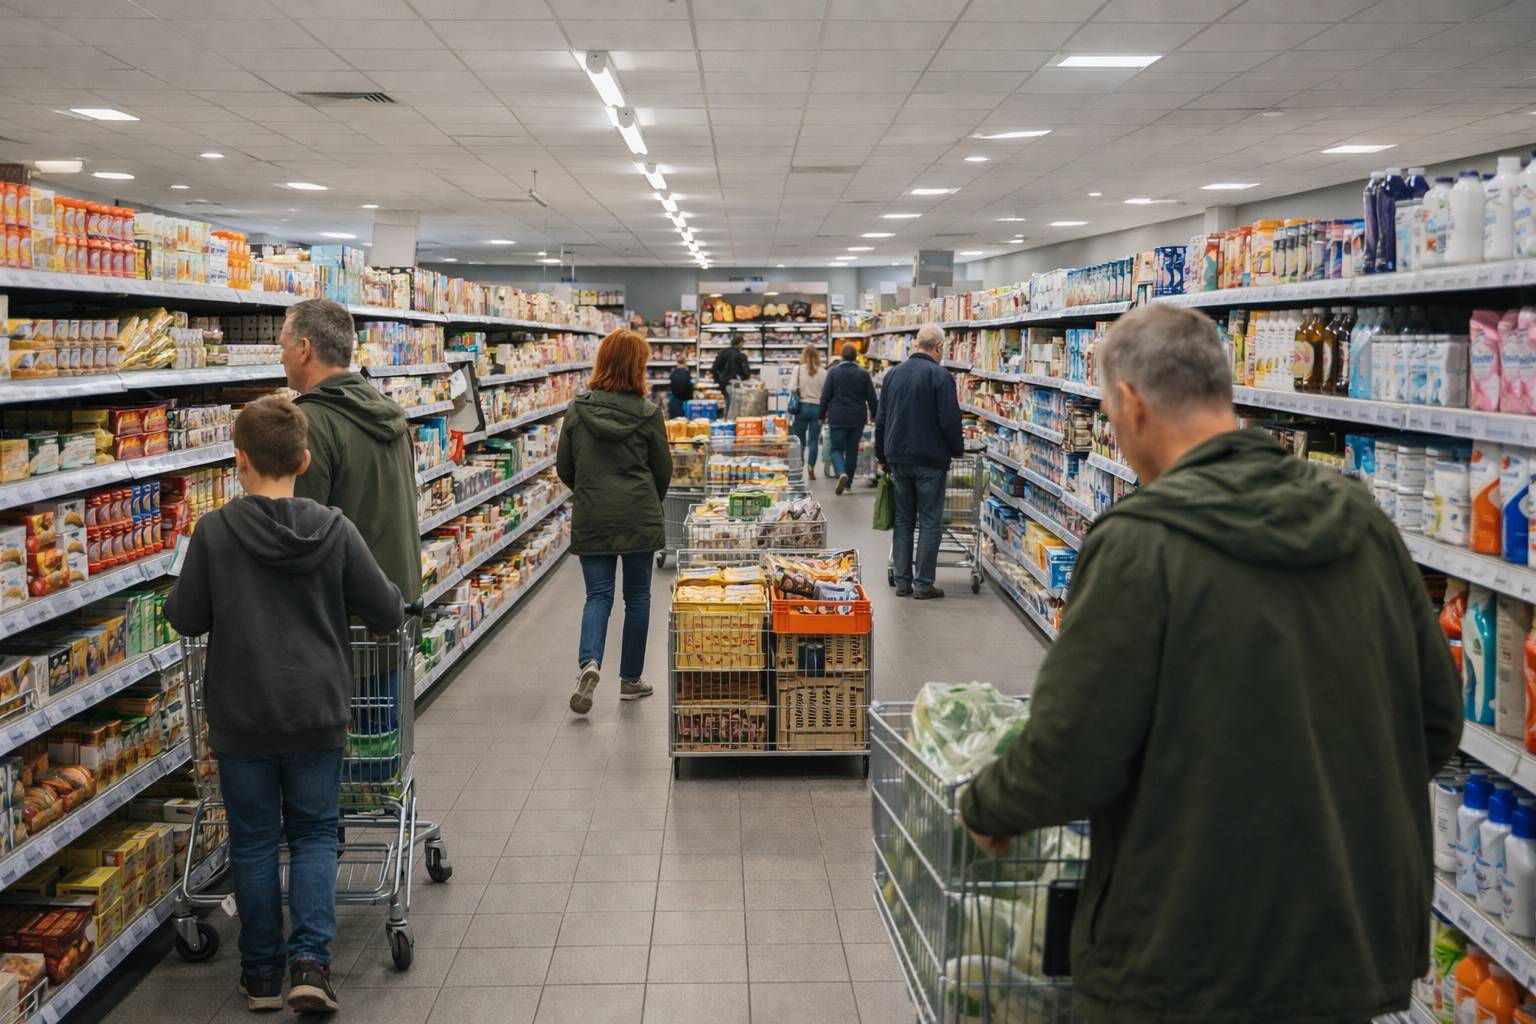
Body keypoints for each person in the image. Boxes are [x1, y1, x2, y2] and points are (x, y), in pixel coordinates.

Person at [960, 305, 1462, 1024]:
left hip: (1185, 957)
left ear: (1130, 404)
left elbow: (1073, 750)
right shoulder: (1363, 525)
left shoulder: (1140, 545)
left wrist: (987, 808)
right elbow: (1438, 721)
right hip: (1346, 945)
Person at [165, 396, 403, 1015]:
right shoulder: (334, 528)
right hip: (316, 710)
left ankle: (262, 974)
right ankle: (311, 967)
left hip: (241, 714)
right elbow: (384, 609)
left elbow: (185, 617)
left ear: (238, 461)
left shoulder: (214, 532)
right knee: (317, 833)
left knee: (251, 841)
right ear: (303, 458)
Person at [558, 329, 672, 715]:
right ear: (637, 366)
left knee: (598, 596)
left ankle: (589, 664)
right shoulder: (648, 413)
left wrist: (590, 491)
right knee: (637, 597)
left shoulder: (576, 409)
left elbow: (564, 468)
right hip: (637, 513)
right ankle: (630, 680)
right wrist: (644, 499)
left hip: (593, 515)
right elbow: (663, 470)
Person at [280, 299, 422, 602]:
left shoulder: (311, 421)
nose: (281, 358)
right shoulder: (390, 412)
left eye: (284, 348)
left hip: (346, 614)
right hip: (395, 601)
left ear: (304, 349)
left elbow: (303, 528)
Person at [874, 325, 963, 599]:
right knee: (929, 521)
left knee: (903, 520)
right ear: (938, 347)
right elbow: (949, 420)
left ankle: (902, 581)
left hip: (898, 457)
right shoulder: (941, 376)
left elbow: (881, 418)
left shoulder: (893, 374)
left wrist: (881, 455)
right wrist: (957, 449)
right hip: (930, 459)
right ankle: (924, 585)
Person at [819, 343, 877, 494]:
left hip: (837, 416)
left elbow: (825, 396)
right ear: (855, 356)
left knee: (836, 449)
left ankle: (840, 472)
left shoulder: (833, 373)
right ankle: (848, 483)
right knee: (852, 450)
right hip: (857, 417)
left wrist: (821, 415)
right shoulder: (863, 374)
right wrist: (874, 414)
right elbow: (872, 397)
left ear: (841, 356)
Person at [789, 344, 827, 480]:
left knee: (800, 440)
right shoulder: (823, 372)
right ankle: (811, 466)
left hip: (802, 407)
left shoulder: (798, 369)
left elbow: (792, 388)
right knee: (813, 441)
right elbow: (826, 392)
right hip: (817, 408)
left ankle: (799, 465)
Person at [711, 334, 752, 417]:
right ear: (740, 343)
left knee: (727, 401)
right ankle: (730, 420)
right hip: (733, 383)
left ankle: (725, 419)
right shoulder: (740, 356)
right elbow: (745, 373)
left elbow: (714, 368)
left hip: (722, 382)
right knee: (733, 404)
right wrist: (745, 378)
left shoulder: (723, 352)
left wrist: (717, 378)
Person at [668, 355, 694, 419]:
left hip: (674, 402)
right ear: (685, 362)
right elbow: (688, 388)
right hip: (684, 403)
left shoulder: (673, 373)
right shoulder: (686, 373)